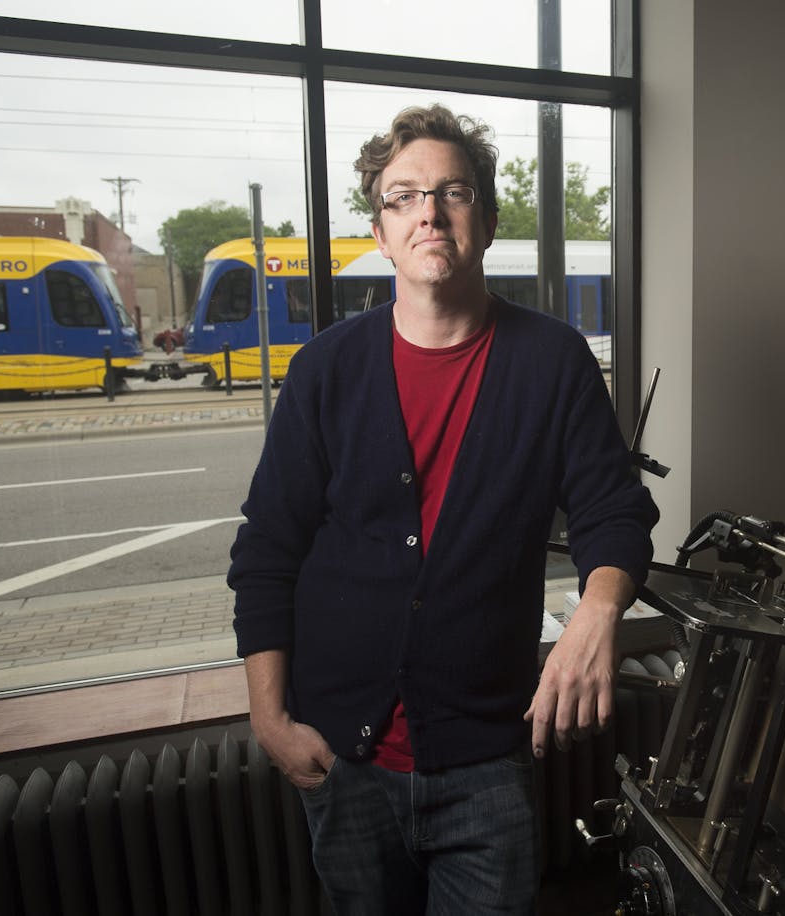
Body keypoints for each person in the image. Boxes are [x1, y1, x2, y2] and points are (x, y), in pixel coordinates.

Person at [228, 104, 659, 915]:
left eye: (453, 191)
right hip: (344, 762)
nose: (429, 210)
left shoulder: (552, 361)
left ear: (487, 221)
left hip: (487, 762)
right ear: (382, 231)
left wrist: (596, 615)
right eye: (404, 196)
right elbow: (266, 553)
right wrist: (270, 721)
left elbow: (614, 511)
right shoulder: (325, 369)